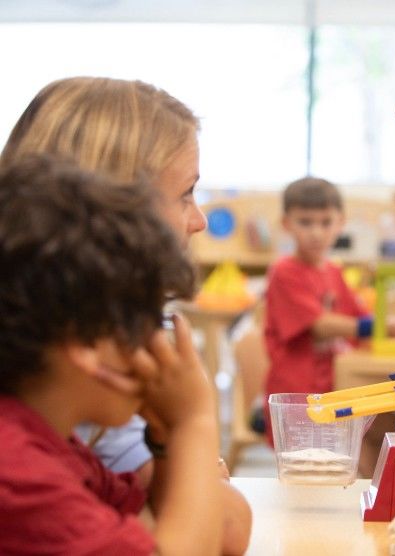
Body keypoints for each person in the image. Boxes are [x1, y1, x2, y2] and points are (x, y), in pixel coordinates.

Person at [0, 77, 251, 552]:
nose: (198, 220)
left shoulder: (58, 449)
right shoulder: (19, 471)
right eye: (144, 321)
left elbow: (215, 529)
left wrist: (167, 440)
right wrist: (191, 422)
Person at [261, 177, 395, 477]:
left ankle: (374, 499)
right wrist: (380, 327)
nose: (316, 232)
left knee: (387, 428)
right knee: (311, 474)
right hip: (298, 397)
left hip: (337, 387)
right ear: (286, 223)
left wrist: (388, 326)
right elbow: (321, 326)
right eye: (305, 222)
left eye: (326, 222)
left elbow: (362, 316)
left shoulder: (333, 272)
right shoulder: (285, 272)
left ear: (341, 223)